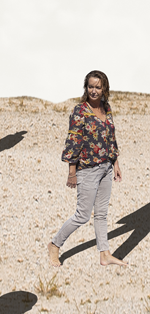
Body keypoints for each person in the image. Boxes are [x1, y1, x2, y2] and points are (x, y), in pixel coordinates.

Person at [48, 70, 124, 268]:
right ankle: (55, 245)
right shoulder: (80, 110)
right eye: (91, 86)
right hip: (87, 169)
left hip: (106, 167)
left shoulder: (107, 108)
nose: (94, 90)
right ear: (86, 87)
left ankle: (104, 254)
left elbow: (111, 137)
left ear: (104, 88)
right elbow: (73, 140)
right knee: (82, 215)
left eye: (98, 87)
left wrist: (115, 163)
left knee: (101, 214)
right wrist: (72, 172)